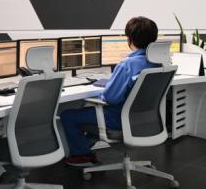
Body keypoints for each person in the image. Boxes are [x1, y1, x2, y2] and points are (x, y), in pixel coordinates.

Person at [61, 16, 160, 167]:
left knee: (68, 116)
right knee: (88, 114)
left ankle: (82, 156)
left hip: (118, 119)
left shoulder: (127, 65)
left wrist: (102, 92)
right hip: (145, 120)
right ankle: (86, 149)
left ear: (129, 39)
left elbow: (111, 98)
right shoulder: (158, 63)